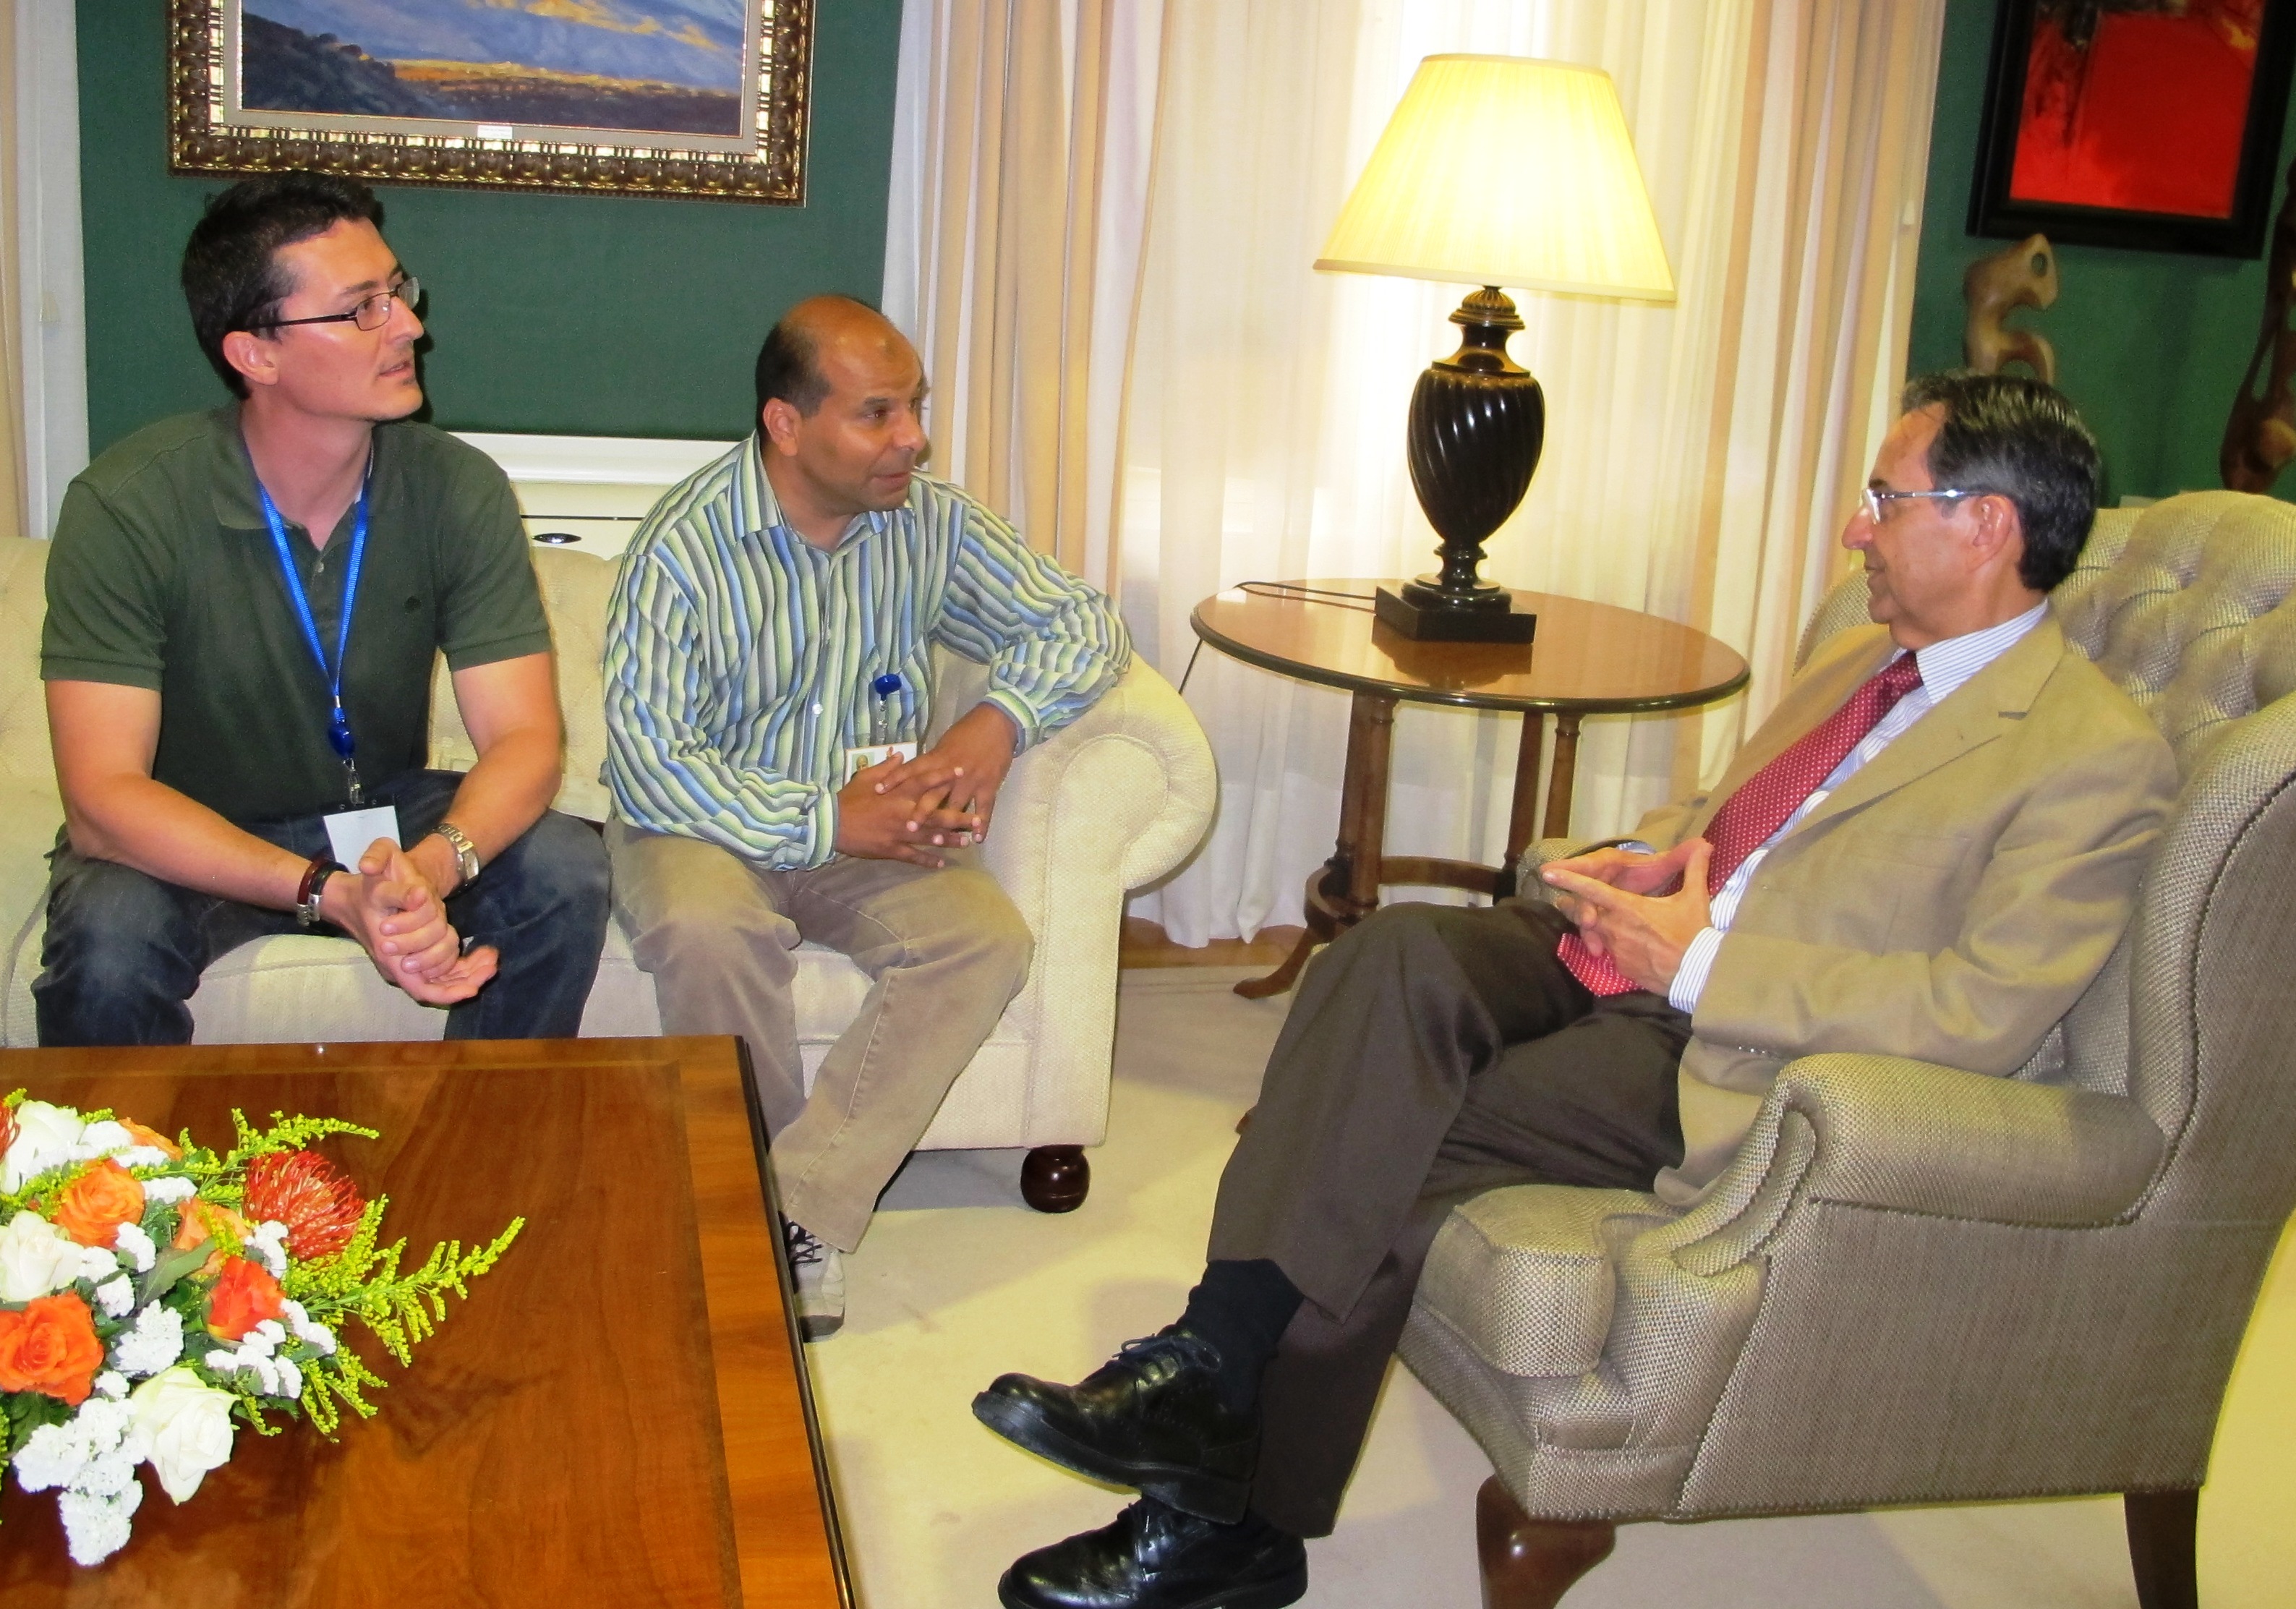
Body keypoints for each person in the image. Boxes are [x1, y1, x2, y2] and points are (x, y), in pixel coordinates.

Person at [972, 372, 2180, 1609]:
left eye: (1885, 498)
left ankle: (1225, 1514)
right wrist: (1641, 858)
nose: (1853, 528)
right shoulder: (1861, 655)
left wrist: (1697, 962)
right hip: (1624, 945)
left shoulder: (2094, 758)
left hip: (1725, 1043)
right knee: (1383, 959)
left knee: (1392, 1123)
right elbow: (1727, 814)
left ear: (1985, 524)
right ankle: (1206, 1368)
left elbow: (1979, 1012)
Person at [603, 294, 1130, 1339]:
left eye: (914, 406)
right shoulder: (681, 547)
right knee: (705, 930)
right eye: (878, 413)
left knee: (982, 938)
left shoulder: (927, 522)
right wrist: (825, 822)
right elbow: (653, 764)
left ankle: (799, 1207)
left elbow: (1083, 621)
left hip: (871, 822)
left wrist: (994, 723)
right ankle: (736, 1197)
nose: (912, 439)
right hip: (705, 820)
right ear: (786, 424)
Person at [36, 172, 610, 1047]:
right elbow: (103, 798)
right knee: (106, 945)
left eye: (397, 290)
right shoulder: (127, 504)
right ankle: (132, 1148)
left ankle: (482, 1129)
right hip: (196, 826)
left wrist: (433, 867)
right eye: (361, 308)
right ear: (255, 354)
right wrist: (326, 891)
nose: (408, 325)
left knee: (564, 868)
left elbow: (525, 740)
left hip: (381, 816)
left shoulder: (456, 487)